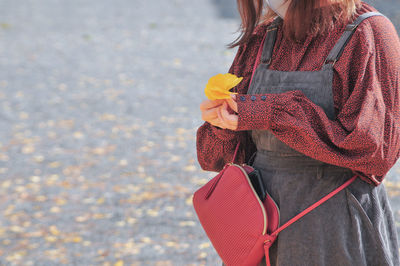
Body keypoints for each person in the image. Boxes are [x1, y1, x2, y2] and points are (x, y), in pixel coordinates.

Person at [196, 0, 400, 265]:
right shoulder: (262, 37)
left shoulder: (368, 32)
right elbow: (216, 160)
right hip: (260, 229)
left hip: (335, 228)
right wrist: (222, 124)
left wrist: (272, 112)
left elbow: (376, 152)